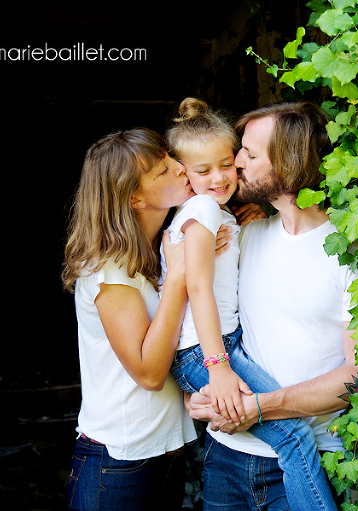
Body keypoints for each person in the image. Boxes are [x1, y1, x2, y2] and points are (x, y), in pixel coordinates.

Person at [186, 101, 358, 510]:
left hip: (314, 462)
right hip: (227, 454)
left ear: (288, 164)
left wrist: (260, 407)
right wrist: (198, 396)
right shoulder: (244, 237)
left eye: (250, 154)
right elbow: (215, 333)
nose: (235, 163)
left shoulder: (352, 253)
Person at [61, 128, 203, 510]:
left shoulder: (159, 248)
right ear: (134, 198)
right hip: (118, 465)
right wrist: (178, 276)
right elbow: (149, 373)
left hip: (162, 455)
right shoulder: (110, 269)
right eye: (162, 171)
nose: (180, 168)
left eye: (172, 159)